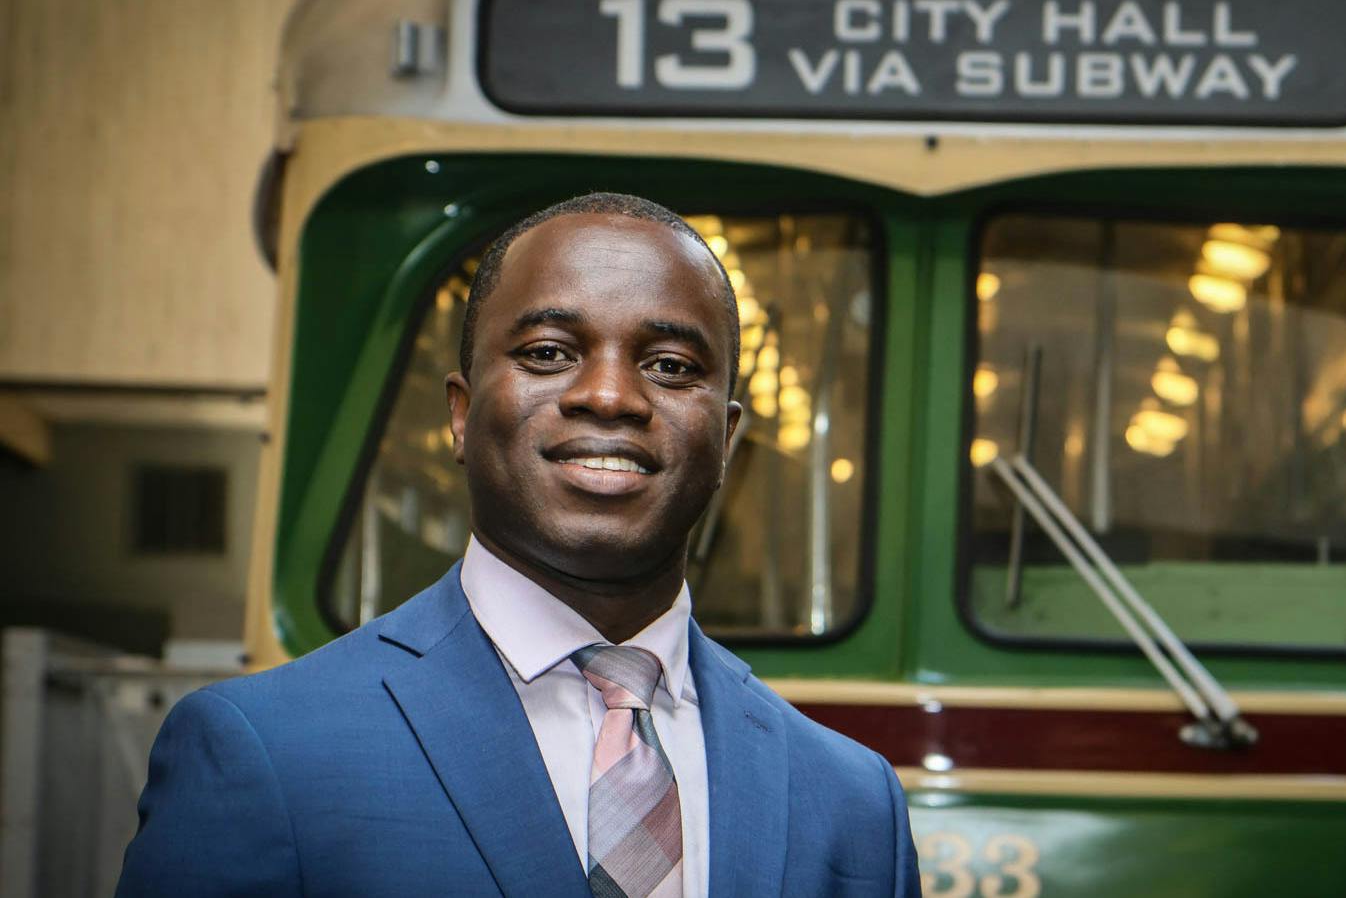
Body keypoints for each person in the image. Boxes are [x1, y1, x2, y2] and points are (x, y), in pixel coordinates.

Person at [117, 193, 922, 898]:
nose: (609, 395)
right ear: (463, 414)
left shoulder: (852, 806)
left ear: (727, 438)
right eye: (548, 354)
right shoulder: (265, 755)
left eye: (671, 366)